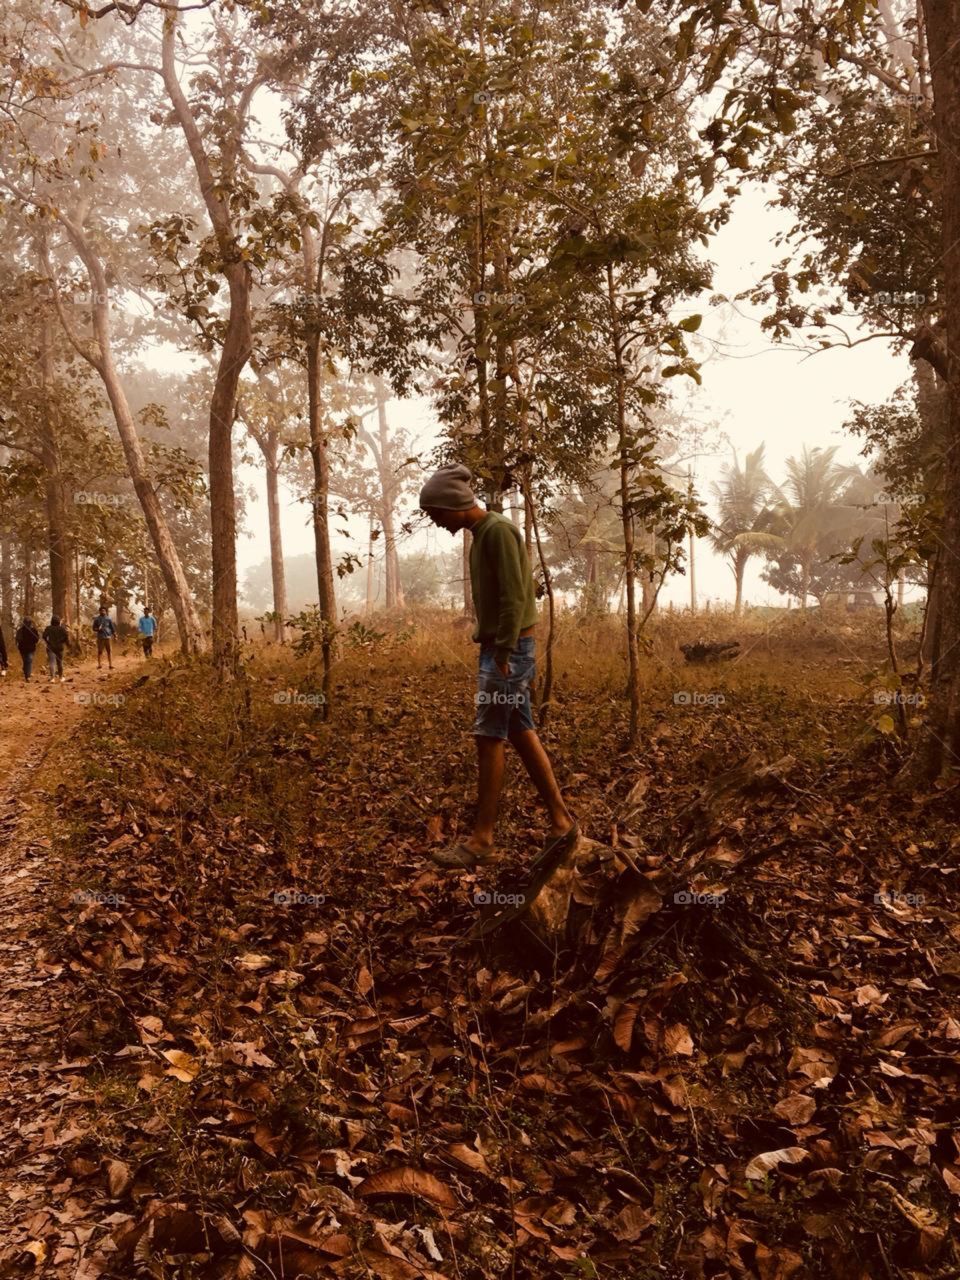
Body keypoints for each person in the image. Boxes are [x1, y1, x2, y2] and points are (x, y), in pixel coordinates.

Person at [419, 463, 577, 869]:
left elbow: (513, 595)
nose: (437, 523)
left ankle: (481, 840)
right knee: (520, 730)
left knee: (488, 737)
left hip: (509, 651)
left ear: (455, 505)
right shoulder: (483, 535)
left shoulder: (498, 532)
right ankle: (562, 822)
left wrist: (504, 653)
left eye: (437, 514)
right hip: (501, 647)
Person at [42, 615, 70, 682]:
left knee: (52, 662)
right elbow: (66, 637)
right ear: (58, 621)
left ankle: (52, 678)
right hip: (59, 648)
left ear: (51, 621)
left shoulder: (48, 628)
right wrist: (66, 644)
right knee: (59, 662)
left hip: (50, 647)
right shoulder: (62, 629)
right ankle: (61, 678)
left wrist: (47, 642)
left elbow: (44, 636)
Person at [15, 617, 40, 682]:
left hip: (30, 649)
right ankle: (26, 672)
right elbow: (17, 639)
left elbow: (37, 639)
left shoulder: (33, 630)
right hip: (23, 649)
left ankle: (27, 676)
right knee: (26, 661)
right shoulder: (20, 630)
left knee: (28, 660)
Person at [92, 605, 116, 670]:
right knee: (100, 651)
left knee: (109, 651)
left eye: (104, 611)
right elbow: (93, 628)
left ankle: (111, 665)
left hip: (108, 637)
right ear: (99, 611)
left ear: (105, 611)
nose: (102, 612)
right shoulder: (97, 619)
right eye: (101, 611)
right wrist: (98, 629)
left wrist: (115, 635)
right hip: (100, 637)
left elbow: (112, 628)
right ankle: (99, 665)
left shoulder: (109, 619)